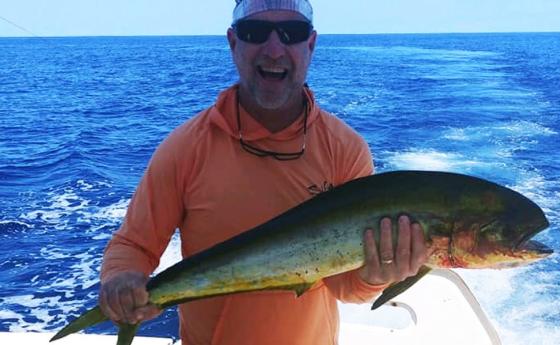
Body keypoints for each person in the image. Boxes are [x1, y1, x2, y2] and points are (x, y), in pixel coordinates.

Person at [98, 1, 429, 344]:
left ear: (310, 45)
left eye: (292, 33)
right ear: (233, 43)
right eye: (255, 33)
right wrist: (121, 277)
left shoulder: (345, 150)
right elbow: (134, 243)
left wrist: (376, 277)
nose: (274, 49)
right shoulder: (185, 148)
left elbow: (344, 286)